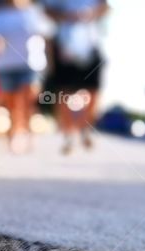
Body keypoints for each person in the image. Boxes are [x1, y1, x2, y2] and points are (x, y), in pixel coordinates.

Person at [0, 0, 55, 154]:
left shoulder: (35, 12)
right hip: (5, 65)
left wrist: (50, 61)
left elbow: (47, 37)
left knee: (28, 98)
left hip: (31, 65)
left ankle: (28, 131)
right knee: (12, 103)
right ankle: (13, 135)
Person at [42, 0, 109, 155]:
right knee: (65, 93)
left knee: (94, 92)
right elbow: (46, 9)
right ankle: (68, 134)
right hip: (65, 44)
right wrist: (66, 16)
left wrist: (91, 14)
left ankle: (85, 126)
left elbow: (107, 7)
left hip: (91, 44)